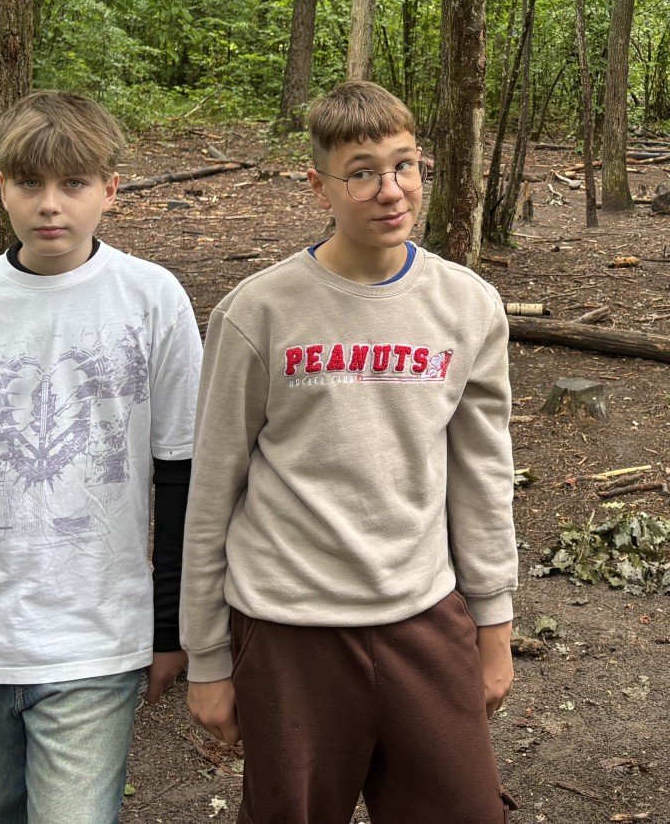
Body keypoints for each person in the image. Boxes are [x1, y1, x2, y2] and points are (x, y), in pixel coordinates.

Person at [182, 79, 516, 824]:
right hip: (288, 630)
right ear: (320, 186)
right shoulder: (257, 313)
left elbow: (483, 476)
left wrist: (494, 624)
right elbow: (212, 492)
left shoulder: (467, 305)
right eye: (362, 172)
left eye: (405, 165)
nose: (390, 191)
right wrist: (206, 658)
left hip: (423, 615)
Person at [0, 91, 202, 824]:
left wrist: (169, 628)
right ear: (2, 187)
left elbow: (182, 472)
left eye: (73, 183)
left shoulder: (152, 299)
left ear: (110, 190)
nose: (50, 205)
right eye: (29, 183)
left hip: (96, 635)